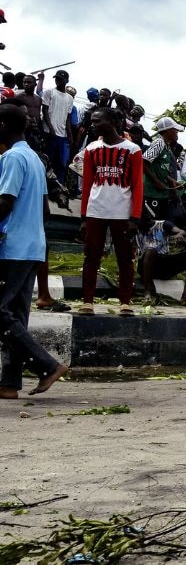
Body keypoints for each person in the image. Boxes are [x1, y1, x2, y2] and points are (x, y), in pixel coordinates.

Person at [0, 104, 68, 399]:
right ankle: (9, 383)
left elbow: (5, 201)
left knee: (0, 312)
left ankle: (47, 365)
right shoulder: (36, 159)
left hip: (12, 246)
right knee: (14, 314)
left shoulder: (13, 157)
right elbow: (44, 209)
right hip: (32, 245)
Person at [79, 107, 145, 316]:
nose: (94, 124)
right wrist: (83, 216)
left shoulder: (133, 150)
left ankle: (125, 301)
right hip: (95, 210)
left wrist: (135, 217)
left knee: (125, 258)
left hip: (122, 212)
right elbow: (87, 184)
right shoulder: (91, 149)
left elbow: (137, 185)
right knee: (91, 257)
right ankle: (87, 301)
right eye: (92, 121)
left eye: (98, 121)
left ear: (113, 122)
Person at [137, 220, 186, 307]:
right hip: (145, 266)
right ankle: (148, 292)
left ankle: (185, 295)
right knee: (150, 251)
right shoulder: (134, 228)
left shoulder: (162, 224)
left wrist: (180, 234)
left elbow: (181, 231)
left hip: (163, 263)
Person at [142, 117, 185, 222]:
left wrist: (172, 181)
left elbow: (160, 169)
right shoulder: (159, 143)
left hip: (161, 194)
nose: (177, 133)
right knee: (155, 225)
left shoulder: (166, 146)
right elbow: (143, 161)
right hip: (152, 193)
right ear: (168, 131)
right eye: (175, 130)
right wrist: (156, 182)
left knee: (162, 223)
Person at [40, 69, 74, 187]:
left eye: (60, 79)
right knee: (47, 160)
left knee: (59, 163)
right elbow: (45, 111)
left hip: (62, 135)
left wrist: (69, 134)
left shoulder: (69, 98)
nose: (58, 81)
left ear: (66, 80)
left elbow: (68, 117)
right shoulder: (49, 92)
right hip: (49, 132)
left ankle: (57, 187)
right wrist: (51, 128)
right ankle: (42, 186)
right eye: (56, 78)